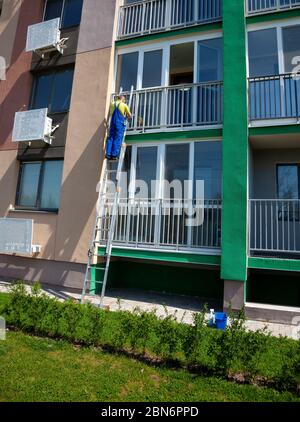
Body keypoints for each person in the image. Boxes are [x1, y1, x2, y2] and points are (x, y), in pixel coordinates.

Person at [106, 95, 132, 160]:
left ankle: (108, 154)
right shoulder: (124, 105)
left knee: (111, 137)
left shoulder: (112, 104)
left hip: (112, 122)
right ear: (122, 99)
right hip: (119, 123)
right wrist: (128, 117)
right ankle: (114, 155)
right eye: (124, 99)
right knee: (118, 138)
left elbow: (110, 113)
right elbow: (130, 115)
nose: (124, 100)